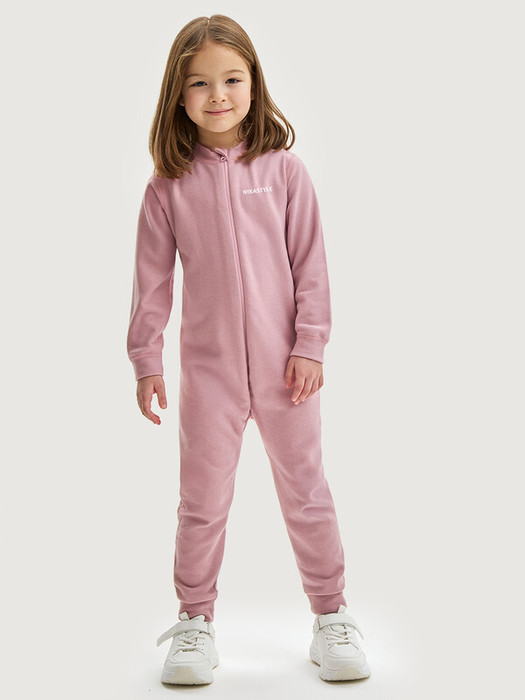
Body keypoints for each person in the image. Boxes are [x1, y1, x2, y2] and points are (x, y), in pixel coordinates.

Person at [126, 13, 371, 686]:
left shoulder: (284, 171)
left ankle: (331, 615)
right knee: (200, 502)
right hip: (208, 376)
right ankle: (194, 622)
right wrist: (146, 358)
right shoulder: (167, 186)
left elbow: (310, 265)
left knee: (306, 491)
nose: (218, 96)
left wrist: (310, 344)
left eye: (232, 79)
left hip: (287, 370)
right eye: (199, 83)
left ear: (254, 83)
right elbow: (151, 282)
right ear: (178, 95)